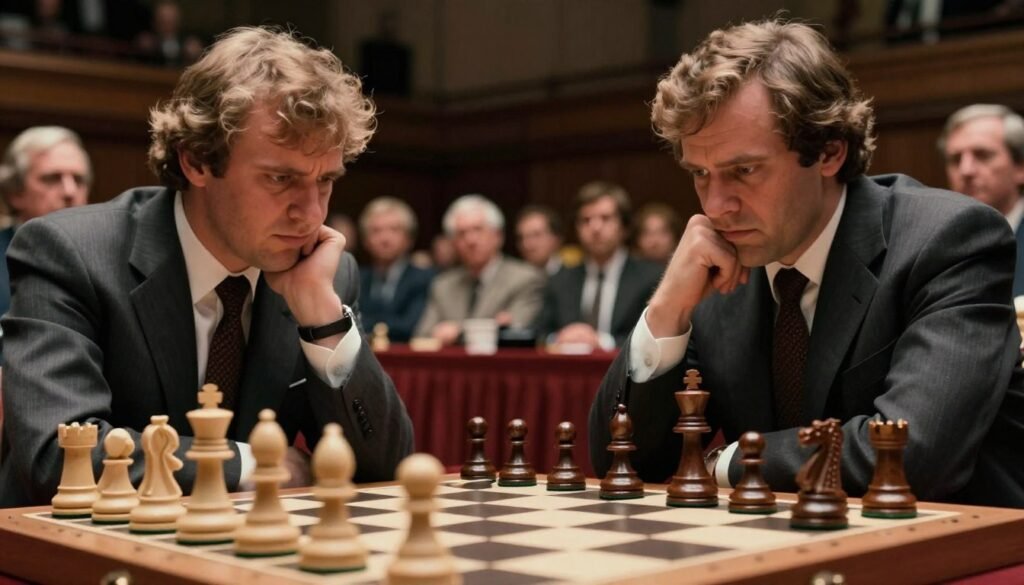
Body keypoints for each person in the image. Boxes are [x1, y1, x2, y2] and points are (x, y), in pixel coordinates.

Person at [589, 19, 1024, 508]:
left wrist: (732, 462)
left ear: (828, 152)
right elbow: (619, 462)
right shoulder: (720, 265)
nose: (715, 207)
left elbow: (911, 455)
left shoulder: (947, 241)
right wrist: (667, 309)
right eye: (700, 174)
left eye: (744, 171)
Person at [0, 26, 414, 507]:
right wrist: (250, 465)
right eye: (281, 179)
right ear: (197, 162)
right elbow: (57, 457)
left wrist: (322, 317)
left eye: (325, 181)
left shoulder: (324, 275)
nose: (312, 214)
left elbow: (386, 469)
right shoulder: (72, 252)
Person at [534, 181, 661, 351]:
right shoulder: (560, 280)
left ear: (624, 227)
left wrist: (601, 341)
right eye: (586, 220)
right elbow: (540, 334)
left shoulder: (650, 278)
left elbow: (654, 338)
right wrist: (558, 338)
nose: (595, 227)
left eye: (605, 218)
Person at [414, 194, 543, 346]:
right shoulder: (443, 285)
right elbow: (422, 336)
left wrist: (459, 332)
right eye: (461, 233)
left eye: (478, 229)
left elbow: (517, 332)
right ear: (453, 243)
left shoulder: (525, 278)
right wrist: (491, 325)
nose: (470, 240)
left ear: (498, 236)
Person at [0, 125, 92, 317]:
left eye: (79, 179)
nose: (69, 191)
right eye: (52, 179)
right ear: (15, 192)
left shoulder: (110, 258)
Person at [938, 104, 1024, 296]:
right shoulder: (935, 245)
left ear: (1020, 167)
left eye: (983, 155)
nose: (966, 170)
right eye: (955, 159)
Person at [357, 196, 432, 342]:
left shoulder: (424, 278)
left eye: (394, 230)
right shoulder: (356, 278)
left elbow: (410, 326)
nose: (385, 238)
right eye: (376, 231)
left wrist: (369, 323)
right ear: (365, 240)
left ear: (409, 238)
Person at [515, 205, 564, 276]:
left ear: (556, 238)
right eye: (521, 238)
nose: (526, 244)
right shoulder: (515, 278)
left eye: (536, 235)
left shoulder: (575, 276)